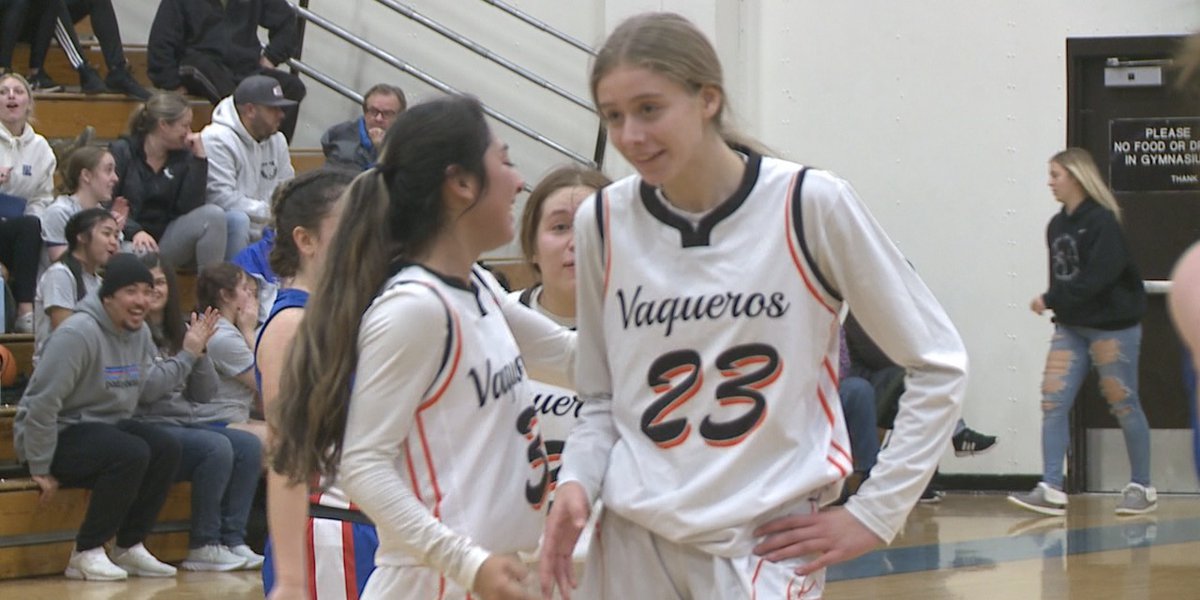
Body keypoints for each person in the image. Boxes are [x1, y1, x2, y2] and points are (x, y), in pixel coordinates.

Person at [538, 13, 967, 600]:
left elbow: (939, 363)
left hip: (762, 543)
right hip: (632, 538)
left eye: (649, 109)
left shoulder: (809, 204)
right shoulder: (603, 223)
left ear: (708, 99)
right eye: (613, 116)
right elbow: (601, 398)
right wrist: (578, 481)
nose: (630, 135)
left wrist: (874, 512)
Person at [270, 95, 575, 600]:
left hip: (487, 575)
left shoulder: (478, 286)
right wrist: (468, 563)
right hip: (434, 582)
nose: (519, 180)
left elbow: (571, 357)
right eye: (505, 160)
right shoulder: (415, 309)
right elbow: (363, 467)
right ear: (460, 183)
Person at [12, 253, 182, 581]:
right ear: (108, 297)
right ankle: (85, 552)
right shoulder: (77, 334)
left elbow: (141, 392)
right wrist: (39, 465)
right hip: (54, 434)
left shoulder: (141, 334)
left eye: (147, 291)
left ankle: (129, 546)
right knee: (130, 452)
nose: (142, 300)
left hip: (102, 430)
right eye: (131, 291)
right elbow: (41, 405)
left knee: (166, 447)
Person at [1008, 148, 1156, 518]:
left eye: (1055, 175)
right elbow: (1064, 276)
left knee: (1123, 402)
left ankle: (1142, 485)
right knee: (1052, 402)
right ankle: (1052, 487)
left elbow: (1099, 277)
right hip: (1071, 328)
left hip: (1112, 329)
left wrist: (1051, 298)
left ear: (1075, 177)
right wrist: (1058, 302)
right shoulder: (1057, 226)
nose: (1050, 182)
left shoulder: (1103, 222)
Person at [256, 168, 376, 600]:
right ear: (305, 241)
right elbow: (286, 452)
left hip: (370, 525)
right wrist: (291, 579)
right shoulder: (292, 325)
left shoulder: (349, 317)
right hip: (327, 529)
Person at [134, 252, 264, 572]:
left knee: (248, 445)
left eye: (162, 281)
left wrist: (200, 353)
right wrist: (189, 355)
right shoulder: (133, 333)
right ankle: (203, 543)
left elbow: (201, 393)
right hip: (149, 422)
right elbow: (150, 392)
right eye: (147, 283)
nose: (155, 289)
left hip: (186, 419)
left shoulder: (180, 328)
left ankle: (232, 538)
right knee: (217, 446)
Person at [147, 0, 305, 141]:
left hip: (246, 69)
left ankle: (275, 153)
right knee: (198, 65)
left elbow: (287, 21)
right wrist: (172, 85)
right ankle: (241, 116)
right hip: (202, 67)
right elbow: (160, 45)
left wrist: (271, 57)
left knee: (293, 86)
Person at [111, 91, 235, 268]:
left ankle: (211, 288)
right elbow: (106, 202)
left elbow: (189, 209)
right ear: (163, 125)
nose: (189, 132)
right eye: (184, 126)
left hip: (166, 238)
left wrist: (199, 160)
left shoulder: (184, 157)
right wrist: (135, 231)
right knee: (144, 254)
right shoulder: (122, 151)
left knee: (214, 215)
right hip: (127, 238)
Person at [201, 75, 296, 256]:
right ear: (250, 110)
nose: (282, 115)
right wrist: (271, 213)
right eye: (273, 109)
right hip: (230, 231)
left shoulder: (278, 140)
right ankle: (235, 282)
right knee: (238, 220)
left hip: (269, 228)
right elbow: (221, 198)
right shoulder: (216, 139)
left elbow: (287, 188)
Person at [0, 72, 54, 333]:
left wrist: (30, 217)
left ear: (29, 103)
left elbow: (43, 197)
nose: (11, 96)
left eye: (18, 91)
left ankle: (27, 312)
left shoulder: (41, 147)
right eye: (3, 92)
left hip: (20, 229)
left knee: (34, 226)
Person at [33, 207, 118, 364]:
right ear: (82, 237)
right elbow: (66, 334)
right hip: (57, 369)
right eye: (107, 234)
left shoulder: (100, 282)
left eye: (116, 236)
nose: (114, 242)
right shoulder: (60, 274)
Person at [195, 262, 266, 443]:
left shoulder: (229, 329)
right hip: (215, 420)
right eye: (244, 289)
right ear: (226, 295)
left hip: (237, 416)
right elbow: (265, 383)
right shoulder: (222, 336)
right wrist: (249, 331)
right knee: (284, 444)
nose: (250, 294)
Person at [24, 0, 149, 98]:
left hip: (46, 13)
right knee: (54, 4)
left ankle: (118, 69)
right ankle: (83, 68)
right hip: (15, 19)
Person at [41, 146, 119, 262]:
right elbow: (62, 262)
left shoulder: (104, 215)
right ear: (86, 176)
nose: (115, 178)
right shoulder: (59, 212)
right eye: (108, 170)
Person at [321, 84, 407, 171]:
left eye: (387, 113)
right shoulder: (341, 136)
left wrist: (384, 149)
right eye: (373, 111)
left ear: (400, 116)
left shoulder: (408, 141)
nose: (378, 118)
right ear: (365, 111)